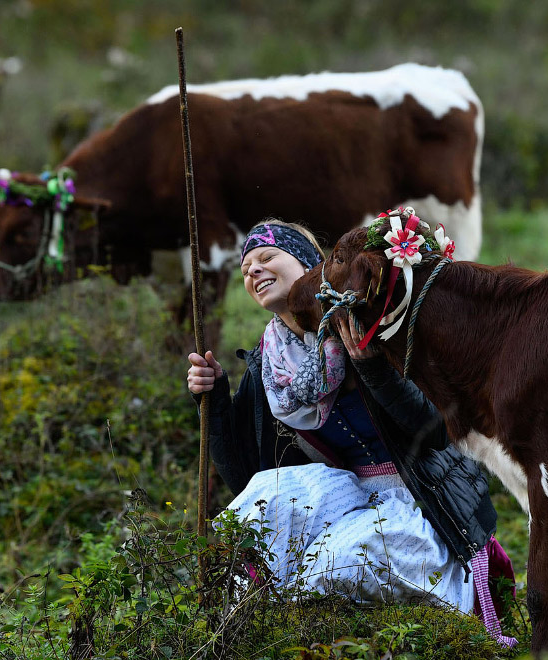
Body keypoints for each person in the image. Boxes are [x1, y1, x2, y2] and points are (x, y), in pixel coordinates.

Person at [187, 219, 516, 645]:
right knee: (256, 521)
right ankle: (265, 639)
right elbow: (248, 482)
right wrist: (214, 403)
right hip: (350, 497)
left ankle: (439, 619)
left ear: (309, 265)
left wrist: (372, 368)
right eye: (246, 266)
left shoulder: (375, 326)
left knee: (336, 565)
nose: (253, 271)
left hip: (422, 497)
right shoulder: (270, 368)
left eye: (267, 257)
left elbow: (436, 431)